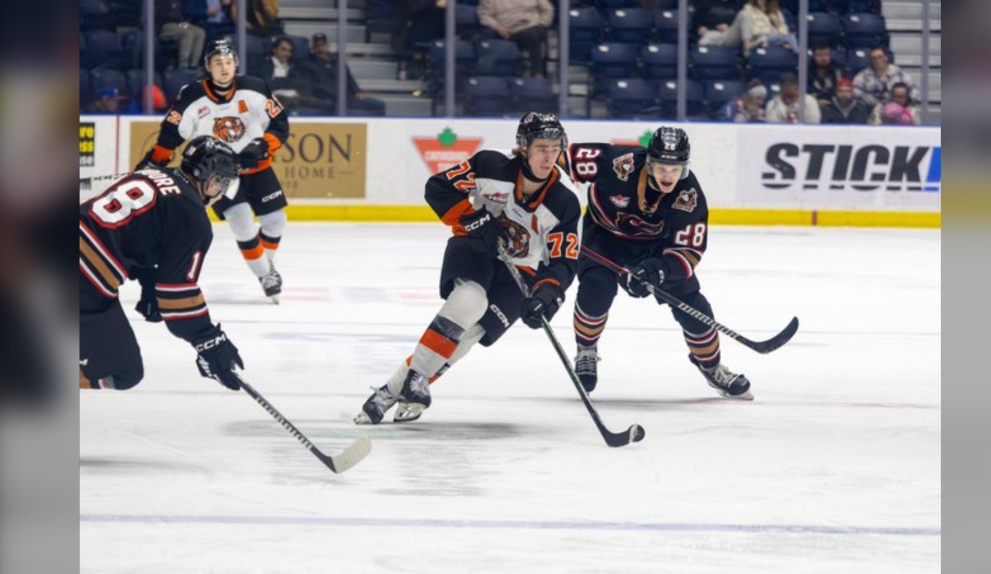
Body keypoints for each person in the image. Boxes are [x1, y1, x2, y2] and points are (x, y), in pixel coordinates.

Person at [354, 112, 580, 425]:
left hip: (521, 273)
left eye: (555, 148)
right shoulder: (491, 164)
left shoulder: (565, 199)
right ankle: (415, 380)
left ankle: (390, 392)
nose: (549, 156)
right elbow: (438, 188)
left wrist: (548, 293)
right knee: (469, 302)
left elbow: (564, 261)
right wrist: (472, 218)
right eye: (542, 147)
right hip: (476, 249)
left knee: (472, 333)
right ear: (524, 147)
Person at [563, 127, 752, 400]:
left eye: (675, 169)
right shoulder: (619, 163)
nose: (668, 176)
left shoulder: (689, 195)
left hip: (655, 250)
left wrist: (658, 270)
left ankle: (712, 367)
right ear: (649, 163)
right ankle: (586, 351)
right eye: (662, 167)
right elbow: (560, 158)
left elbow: (688, 249)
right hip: (604, 237)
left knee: (694, 307)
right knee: (596, 287)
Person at [80, 136, 247, 392]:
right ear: (208, 177)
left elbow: (132, 230)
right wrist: (208, 340)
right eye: (221, 182)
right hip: (83, 280)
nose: (221, 191)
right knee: (123, 371)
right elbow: (177, 292)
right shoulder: (193, 217)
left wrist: (148, 279)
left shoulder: (148, 174)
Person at [136, 39, 290, 303]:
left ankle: (265, 265)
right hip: (218, 174)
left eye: (229, 62)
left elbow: (279, 124)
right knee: (241, 221)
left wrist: (263, 144)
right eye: (218, 62)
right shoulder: (192, 95)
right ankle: (266, 276)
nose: (224, 67)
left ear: (236, 65)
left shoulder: (255, 87)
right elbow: (171, 133)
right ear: (208, 66)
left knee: (276, 220)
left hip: (257, 168)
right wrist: (155, 161)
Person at [299, 33, 386, 116]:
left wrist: (357, 91)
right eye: (317, 46)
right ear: (313, 48)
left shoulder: (338, 60)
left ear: (327, 46)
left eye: (323, 45)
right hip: (326, 100)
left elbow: (348, 78)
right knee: (331, 106)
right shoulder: (308, 64)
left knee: (378, 105)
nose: (320, 49)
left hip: (346, 98)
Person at [477, 0, 555, 78]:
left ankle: (537, 73)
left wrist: (542, 24)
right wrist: (497, 27)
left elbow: (547, 9)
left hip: (531, 26)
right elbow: (484, 15)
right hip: (506, 31)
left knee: (532, 35)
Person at [853, 45, 919, 108]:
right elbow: (855, 91)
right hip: (872, 111)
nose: (877, 60)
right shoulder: (864, 75)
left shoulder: (898, 73)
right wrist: (869, 100)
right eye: (874, 58)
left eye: (880, 57)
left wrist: (906, 102)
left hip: (898, 110)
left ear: (886, 57)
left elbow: (913, 89)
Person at [156, 0, 207, 69]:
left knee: (200, 32)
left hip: (180, 23)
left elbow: (184, 12)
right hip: (165, 24)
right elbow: (161, 14)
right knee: (187, 33)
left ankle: (194, 64)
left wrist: (184, 22)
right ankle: (183, 64)